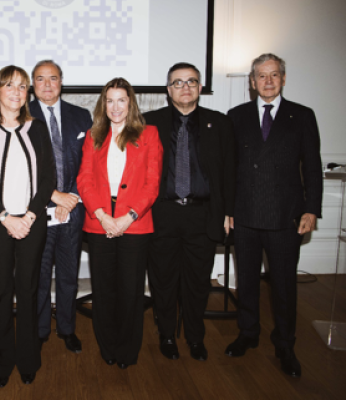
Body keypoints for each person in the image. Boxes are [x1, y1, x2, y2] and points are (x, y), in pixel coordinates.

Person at [225, 53, 322, 377]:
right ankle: (248, 333)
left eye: (274, 75)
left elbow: (311, 167)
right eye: (261, 76)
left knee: (283, 286)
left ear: (282, 78)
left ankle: (285, 344)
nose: (268, 81)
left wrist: (311, 209)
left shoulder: (302, 116)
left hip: (286, 216)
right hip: (246, 214)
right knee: (247, 281)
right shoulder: (236, 116)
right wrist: (227, 211)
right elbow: (228, 169)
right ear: (252, 82)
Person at [0, 65, 55, 388]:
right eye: (9, 85)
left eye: (22, 87)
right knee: (2, 292)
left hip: (33, 222)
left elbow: (48, 179)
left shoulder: (38, 129)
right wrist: (5, 217)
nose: (16, 92)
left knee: (29, 290)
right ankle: (1, 363)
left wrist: (30, 216)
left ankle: (29, 360)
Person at [143, 63, 235, 361]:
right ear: (168, 89)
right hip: (162, 214)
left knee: (197, 282)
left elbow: (229, 173)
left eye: (191, 82)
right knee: (163, 280)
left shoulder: (219, 123)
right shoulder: (148, 123)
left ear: (199, 87)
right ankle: (167, 335)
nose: (185, 87)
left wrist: (228, 212)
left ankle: (196, 337)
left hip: (203, 215)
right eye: (178, 83)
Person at [77, 77, 163, 369]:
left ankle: (128, 350)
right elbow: (84, 180)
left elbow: (152, 184)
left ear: (131, 103)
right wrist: (102, 216)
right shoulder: (94, 135)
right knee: (103, 289)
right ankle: (108, 346)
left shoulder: (149, 134)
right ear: (104, 104)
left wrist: (127, 218)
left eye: (121, 100)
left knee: (130, 290)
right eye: (110, 100)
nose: (115, 107)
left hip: (135, 222)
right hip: (99, 218)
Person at [29, 60, 93, 353]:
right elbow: (19, 170)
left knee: (69, 275)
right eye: (40, 79)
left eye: (52, 78)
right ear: (32, 84)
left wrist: (73, 197)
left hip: (73, 209)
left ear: (61, 82)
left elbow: (91, 165)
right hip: (35, 211)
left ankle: (67, 329)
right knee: (39, 276)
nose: (47, 84)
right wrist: (53, 196)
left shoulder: (81, 116)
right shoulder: (20, 115)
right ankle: (40, 330)